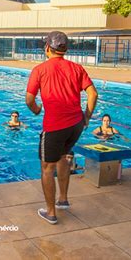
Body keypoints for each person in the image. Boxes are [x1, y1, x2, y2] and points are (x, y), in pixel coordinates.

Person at [26, 31, 98, 225]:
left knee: (47, 168)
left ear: (48, 48)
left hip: (55, 126)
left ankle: (50, 212)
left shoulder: (40, 70)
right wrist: (87, 117)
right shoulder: (77, 68)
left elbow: (29, 99)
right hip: (76, 125)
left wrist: (36, 110)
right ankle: (63, 199)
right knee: (64, 157)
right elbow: (93, 94)